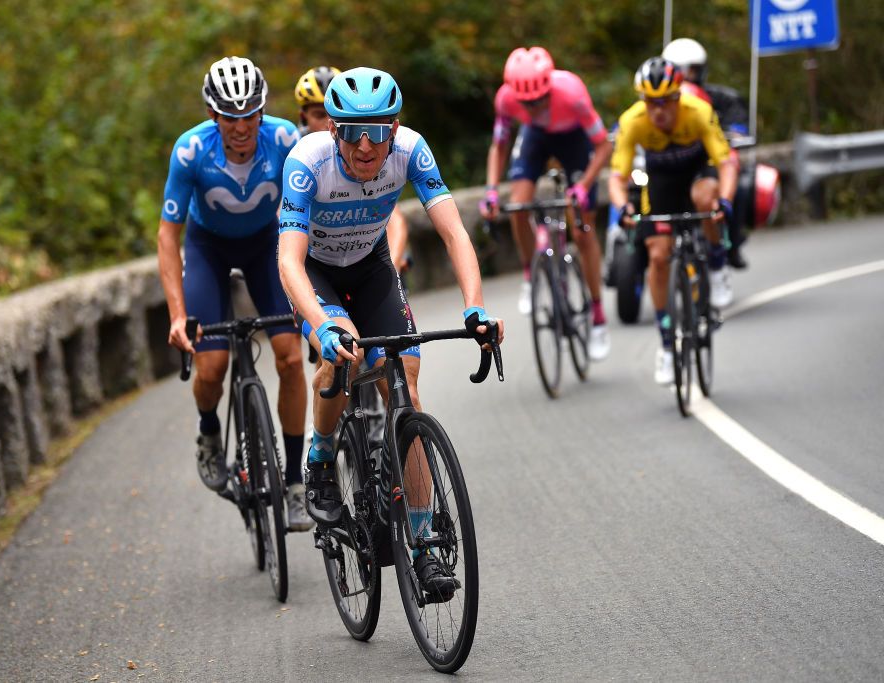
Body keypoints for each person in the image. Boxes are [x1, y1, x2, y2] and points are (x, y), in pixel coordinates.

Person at [278, 67, 504, 595]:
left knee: (407, 382)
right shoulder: (306, 162)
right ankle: (320, 458)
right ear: (333, 130)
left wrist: (476, 308)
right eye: (352, 130)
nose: (364, 144)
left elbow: (453, 232)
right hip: (316, 271)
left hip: (372, 265)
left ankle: (423, 544)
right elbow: (288, 263)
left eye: (377, 131)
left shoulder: (412, 150)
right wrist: (321, 324)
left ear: (394, 128)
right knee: (344, 356)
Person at [158, 56, 312, 531]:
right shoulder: (190, 153)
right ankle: (208, 432)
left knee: (288, 357)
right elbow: (168, 236)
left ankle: (293, 483)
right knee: (213, 365)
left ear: (263, 112)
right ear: (212, 115)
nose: (242, 126)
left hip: (267, 244)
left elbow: (309, 207)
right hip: (207, 249)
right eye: (230, 116)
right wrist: (177, 315)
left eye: (250, 115)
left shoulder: (286, 139)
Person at [608, 57, 737, 385]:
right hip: (662, 184)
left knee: (705, 199)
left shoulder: (698, 112)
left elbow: (727, 162)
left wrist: (725, 199)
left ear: (678, 97)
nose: (658, 111)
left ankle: (718, 266)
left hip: (698, 173)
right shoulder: (632, 121)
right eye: (651, 103)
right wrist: (623, 206)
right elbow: (617, 175)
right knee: (658, 256)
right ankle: (667, 344)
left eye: (665, 102)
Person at [479, 46, 613, 361]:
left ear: (549, 88)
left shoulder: (572, 93)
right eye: (527, 103)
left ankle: (597, 315)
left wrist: (583, 185)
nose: (534, 106)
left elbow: (603, 146)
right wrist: (491, 191)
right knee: (518, 205)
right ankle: (531, 273)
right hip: (536, 138)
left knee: (582, 229)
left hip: (575, 141)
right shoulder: (505, 99)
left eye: (540, 100)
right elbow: (499, 146)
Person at [294, 65, 412, 276]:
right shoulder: (296, 150)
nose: (328, 123)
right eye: (319, 114)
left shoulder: (371, 146)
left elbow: (394, 218)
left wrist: (393, 266)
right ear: (303, 117)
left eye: (349, 117)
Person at [662, 37, 750, 269]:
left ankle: (730, 243)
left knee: (733, 189)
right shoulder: (657, 102)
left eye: (695, 70)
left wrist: (733, 134)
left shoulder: (720, 100)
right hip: (671, 163)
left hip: (707, 158)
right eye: (686, 70)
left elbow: (738, 129)